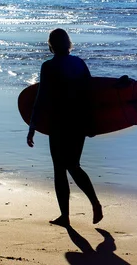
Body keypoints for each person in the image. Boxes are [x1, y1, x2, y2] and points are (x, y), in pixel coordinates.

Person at [27, 28, 103, 227]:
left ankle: (70, 214)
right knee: (73, 164)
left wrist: (32, 125)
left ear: (51, 45)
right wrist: (94, 122)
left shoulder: (48, 67)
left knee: (61, 168)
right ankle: (87, 206)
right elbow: (91, 93)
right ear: (68, 43)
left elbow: (41, 98)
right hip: (79, 122)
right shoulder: (79, 63)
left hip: (59, 123)